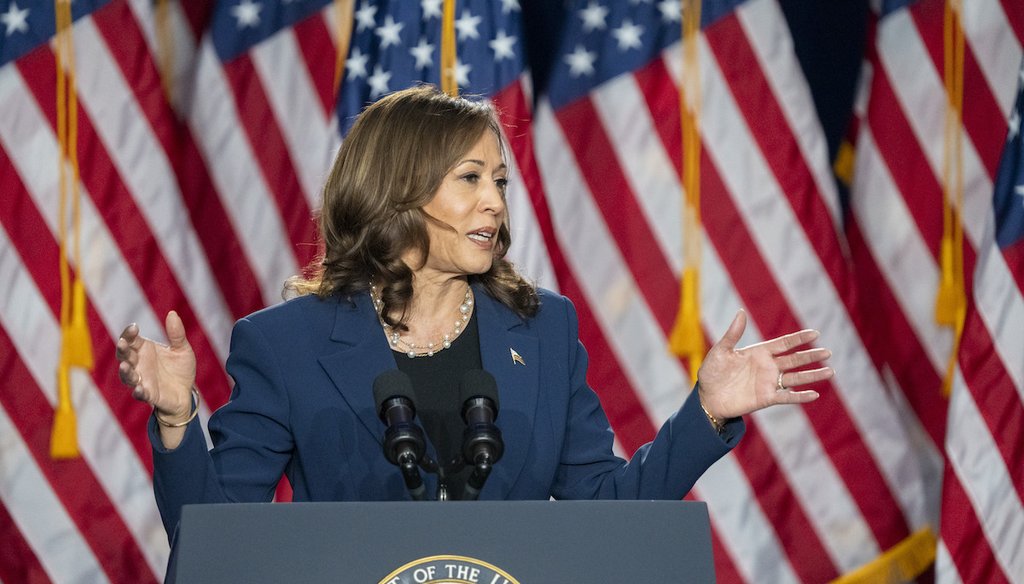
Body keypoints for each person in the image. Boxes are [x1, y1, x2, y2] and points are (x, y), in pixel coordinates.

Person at [116, 86, 833, 540]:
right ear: (398, 190)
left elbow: (603, 508)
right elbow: (212, 538)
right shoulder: (285, 344)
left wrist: (705, 415)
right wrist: (178, 421)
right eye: (469, 179)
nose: (495, 199)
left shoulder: (545, 330)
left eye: (499, 180)